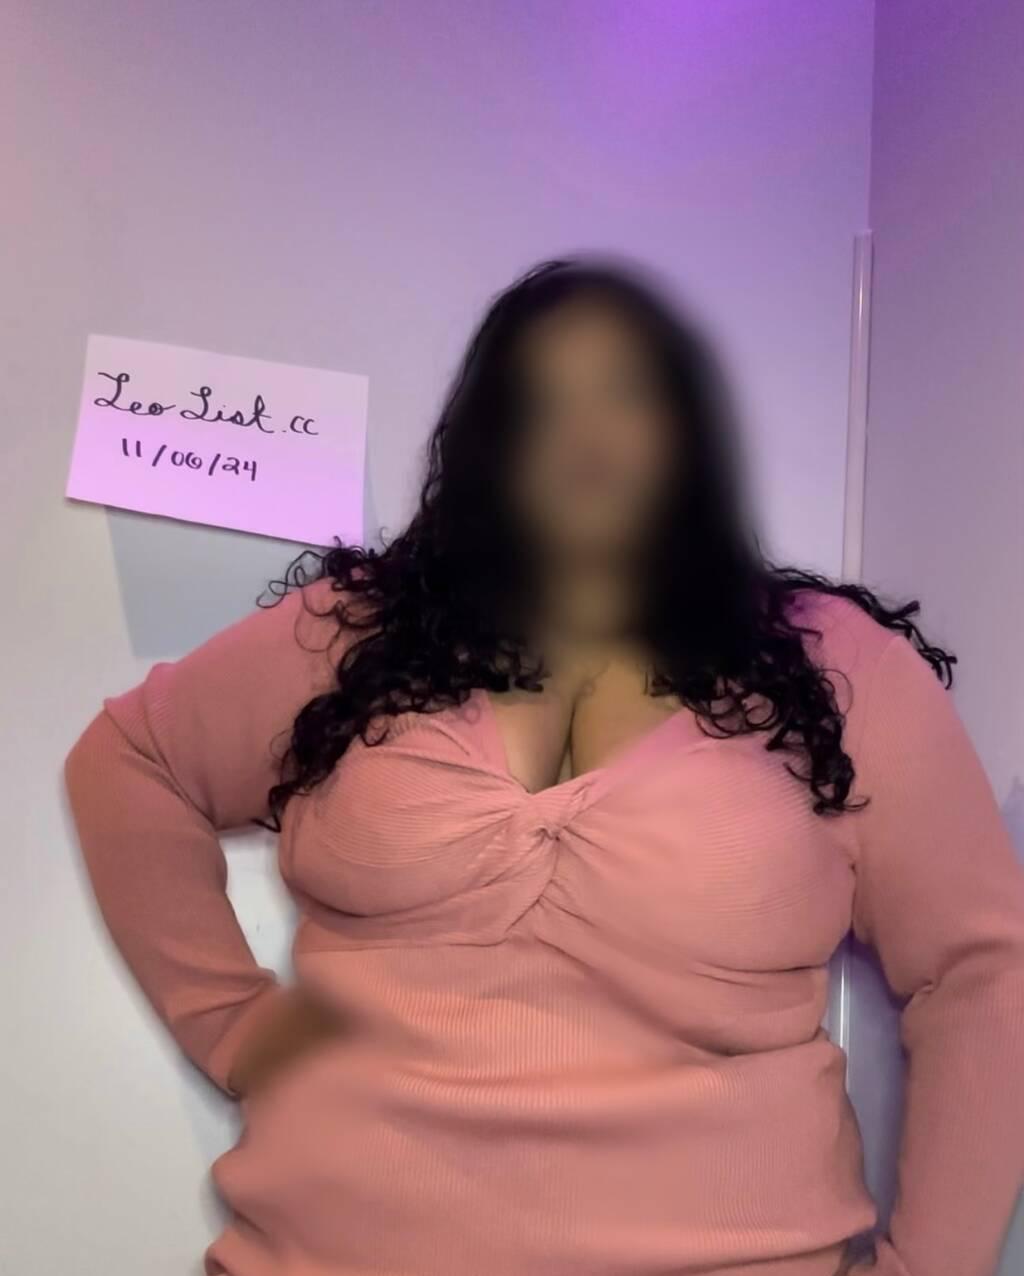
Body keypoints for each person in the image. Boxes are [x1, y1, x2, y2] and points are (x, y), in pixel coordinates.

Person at [65, 258, 1024, 1276]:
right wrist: (235, 1026)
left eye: (626, 391)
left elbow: (982, 974)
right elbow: (131, 761)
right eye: (540, 402)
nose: (586, 436)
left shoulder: (835, 669)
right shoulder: (358, 635)